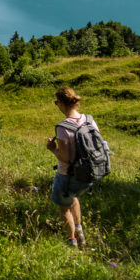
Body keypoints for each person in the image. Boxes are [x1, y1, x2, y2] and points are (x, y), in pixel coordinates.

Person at [46, 86, 95, 248]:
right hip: (87, 174)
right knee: (74, 197)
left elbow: (66, 158)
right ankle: (81, 236)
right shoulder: (89, 120)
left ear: (61, 103)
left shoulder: (63, 127)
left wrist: (53, 149)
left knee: (64, 209)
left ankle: (71, 244)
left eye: (56, 102)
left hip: (67, 175)